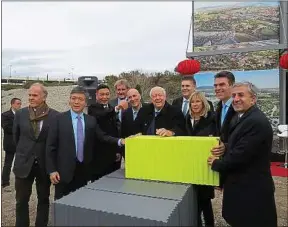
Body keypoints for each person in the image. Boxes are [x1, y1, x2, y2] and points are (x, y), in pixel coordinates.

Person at [208, 82, 277, 227]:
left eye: (241, 95)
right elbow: (241, 143)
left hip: (251, 190)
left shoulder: (255, 122)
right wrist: (225, 147)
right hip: (242, 187)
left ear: (253, 99)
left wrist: (215, 163)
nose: (236, 99)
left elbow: (241, 156)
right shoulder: (243, 117)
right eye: (233, 95)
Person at [46, 86, 124, 200]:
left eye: (80, 99)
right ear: (69, 100)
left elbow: (102, 136)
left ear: (85, 102)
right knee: (61, 205)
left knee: (80, 203)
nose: (76, 102)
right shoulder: (58, 119)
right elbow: (50, 147)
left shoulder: (90, 120)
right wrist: (52, 170)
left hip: (83, 172)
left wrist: (120, 141)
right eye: (74, 98)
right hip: (63, 172)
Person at [13, 83, 58, 227]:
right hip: (23, 163)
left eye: (35, 95)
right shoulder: (20, 114)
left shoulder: (55, 116)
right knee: (21, 200)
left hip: (44, 165)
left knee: (43, 199)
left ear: (44, 97)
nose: (31, 98)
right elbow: (16, 137)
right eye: (29, 95)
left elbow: (55, 142)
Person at [185, 91, 216, 227]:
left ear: (203, 103)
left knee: (205, 200)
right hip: (191, 164)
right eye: (192, 102)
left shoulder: (211, 118)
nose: (195, 104)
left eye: (198, 101)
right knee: (194, 201)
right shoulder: (187, 118)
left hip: (205, 164)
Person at [87, 84, 122, 180]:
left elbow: (116, 130)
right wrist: (117, 109)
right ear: (96, 95)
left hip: (113, 156)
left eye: (107, 94)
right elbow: (102, 116)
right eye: (102, 94)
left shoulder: (111, 107)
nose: (104, 97)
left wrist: (118, 150)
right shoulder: (92, 108)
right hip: (99, 157)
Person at [1, 98, 22, 188]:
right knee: (8, 163)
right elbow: (6, 128)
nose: (19, 105)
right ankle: (5, 182)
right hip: (10, 144)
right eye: (18, 104)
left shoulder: (22, 115)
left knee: (20, 163)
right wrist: (19, 127)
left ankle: (20, 181)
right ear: (12, 104)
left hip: (20, 143)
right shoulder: (5, 115)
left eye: (20, 104)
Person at [213, 71, 236, 143]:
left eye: (222, 85)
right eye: (215, 85)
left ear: (232, 85)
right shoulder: (218, 107)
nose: (218, 88)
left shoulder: (239, 108)